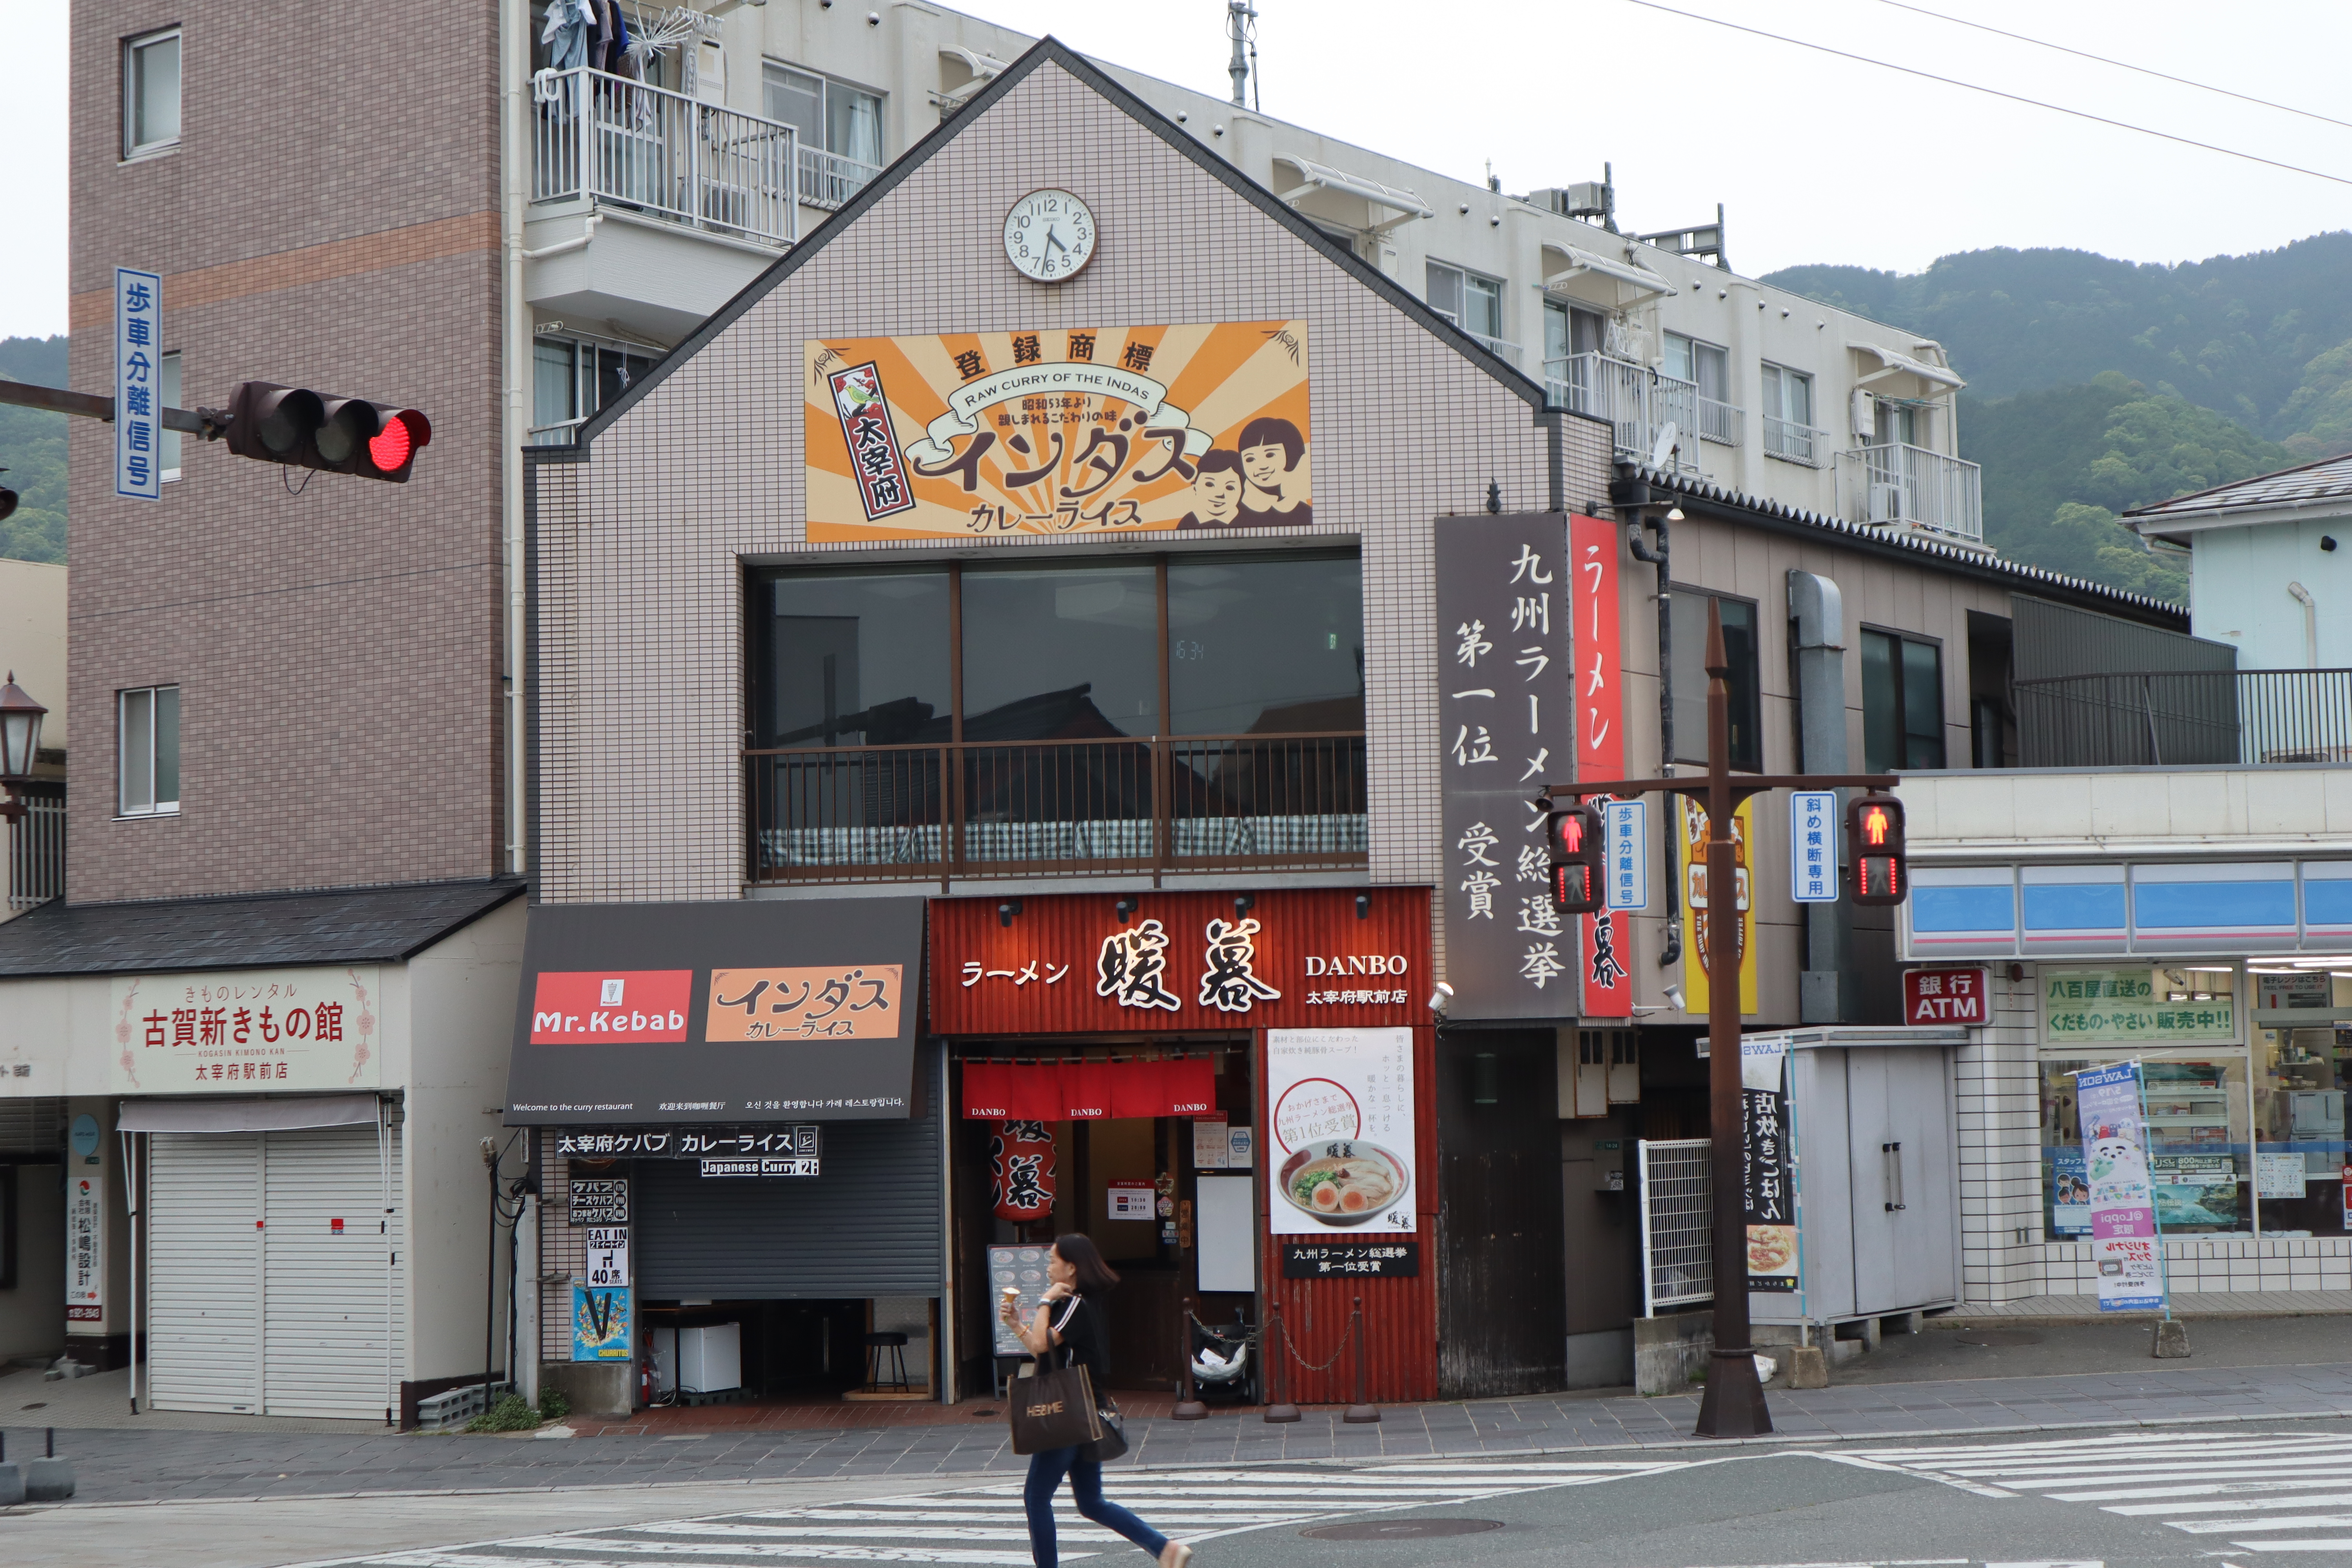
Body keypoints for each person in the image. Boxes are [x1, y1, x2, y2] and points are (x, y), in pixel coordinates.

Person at [1001, 1234, 1191, 1568]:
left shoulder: (1073, 1304)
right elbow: (1038, 1346)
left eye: (1053, 1260)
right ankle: (1165, 1549)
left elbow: (1044, 1347)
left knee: (1036, 1497)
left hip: (1067, 1414)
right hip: (1082, 1413)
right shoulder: (1070, 1305)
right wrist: (1016, 1323)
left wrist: (1045, 1300)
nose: (1048, 1267)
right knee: (1091, 1502)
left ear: (1071, 1268)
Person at [1234, 416, 1311, 527]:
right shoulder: (1237, 511)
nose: (1261, 466)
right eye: (1250, 459)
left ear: (1291, 455)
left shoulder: (1305, 512)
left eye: (1270, 455)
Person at [1176, 449, 1247, 529]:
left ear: (1243, 491)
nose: (1219, 494)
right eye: (1209, 485)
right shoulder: (1188, 522)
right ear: (1195, 488)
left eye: (1230, 488)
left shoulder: (1248, 522)